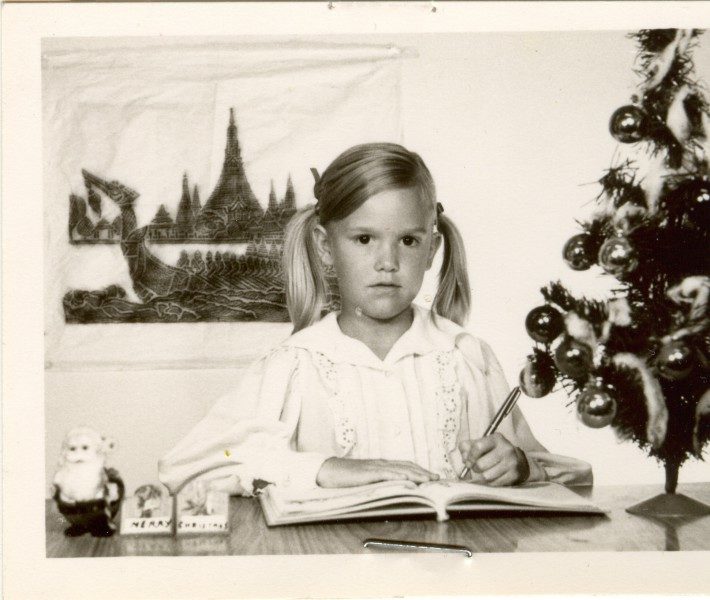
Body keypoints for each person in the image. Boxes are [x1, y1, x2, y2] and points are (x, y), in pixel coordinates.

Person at [158, 143, 592, 496]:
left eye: (408, 240)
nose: (388, 262)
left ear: (432, 249)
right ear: (326, 247)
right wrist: (324, 468)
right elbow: (185, 469)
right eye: (364, 239)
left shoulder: (465, 357)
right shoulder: (296, 364)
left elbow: (573, 476)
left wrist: (518, 466)